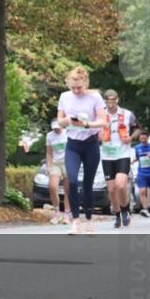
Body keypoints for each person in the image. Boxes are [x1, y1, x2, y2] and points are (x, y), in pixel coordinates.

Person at [56, 67, 108, 236]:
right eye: (73, 88)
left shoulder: (95, 97)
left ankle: (89, 220)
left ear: (86, 84)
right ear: (68, 85)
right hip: (73, 145)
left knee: (87, 184)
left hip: (91, 144)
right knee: (71, 181)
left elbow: (104, 122)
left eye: (79, 87)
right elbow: (59, 122)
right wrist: (67, 120)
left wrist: (87, 125)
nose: (76, 91)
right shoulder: (65, 97)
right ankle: (75, 221)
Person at [100, 90, 137, 228]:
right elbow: (92, 130)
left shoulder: (127, 114)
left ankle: (125, 210)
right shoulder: (100, 115)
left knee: (120, 185)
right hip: (107, 155)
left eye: (113, 100)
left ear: (117, 100)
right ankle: (117, 215)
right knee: (111, 190)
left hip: (123, 154)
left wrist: (131, 138)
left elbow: (138, 129)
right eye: (108, 101)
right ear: (105, 102)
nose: (111, 103)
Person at [44, 120, 72, 224]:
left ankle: (67, 214)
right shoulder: (49, 136)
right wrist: (49, 165)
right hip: (56, 164)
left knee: (67, 190)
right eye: (54, 128)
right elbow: (49, 152)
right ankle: (57, 212)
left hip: (68, 162)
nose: (56, 129)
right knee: (52, 187)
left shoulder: (68, 132)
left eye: (58, 127)